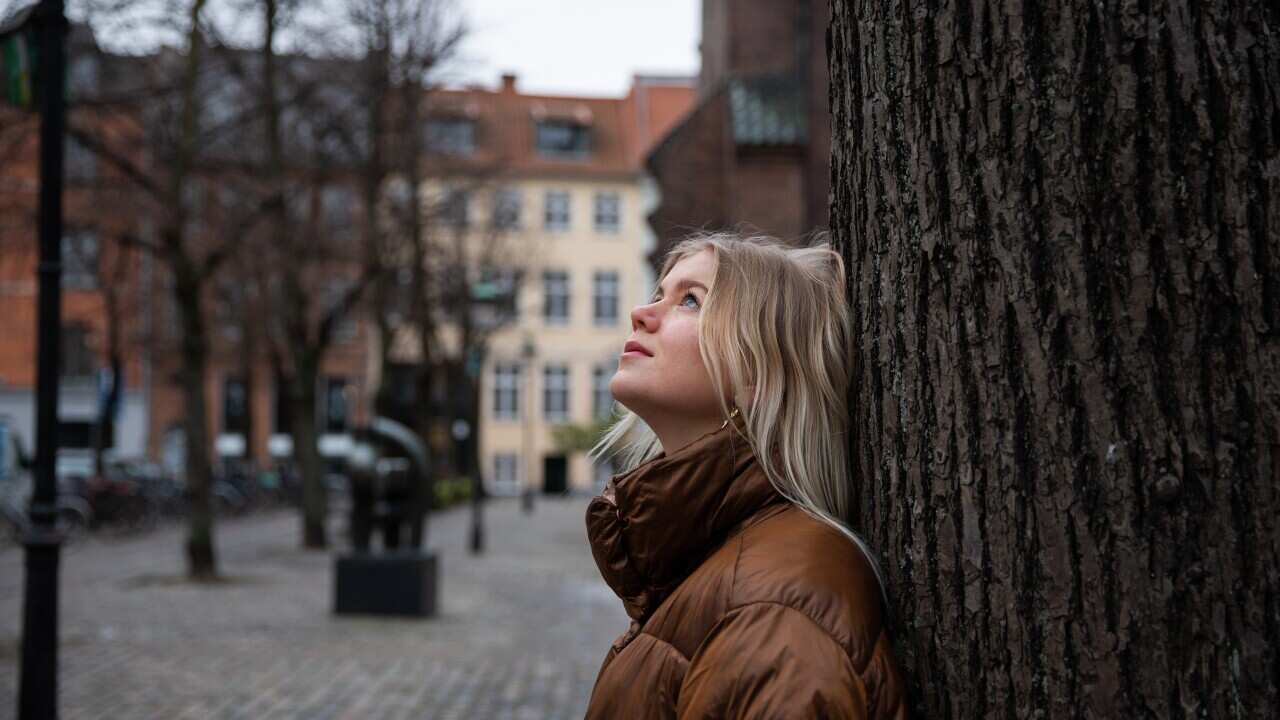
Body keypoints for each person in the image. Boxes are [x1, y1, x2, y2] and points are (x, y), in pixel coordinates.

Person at [584, 233, 906, 719]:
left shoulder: (778, 613)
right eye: (659, 294)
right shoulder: (713, 560)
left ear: (758, 370)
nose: (640, 313)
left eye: (690, 301)